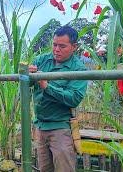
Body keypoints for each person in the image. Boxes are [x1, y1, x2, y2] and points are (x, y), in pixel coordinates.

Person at [29, 26, 88, 172]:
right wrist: (27, 73)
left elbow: (74, 98)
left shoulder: (78, 69)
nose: (56, 49)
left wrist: (47, 86)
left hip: (60, 128)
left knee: (64, 169)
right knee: (44, 169)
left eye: (62, 46)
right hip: (41, 126)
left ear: (74, 47)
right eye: (54, 45)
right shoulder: (42, 60)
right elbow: (26, 81)